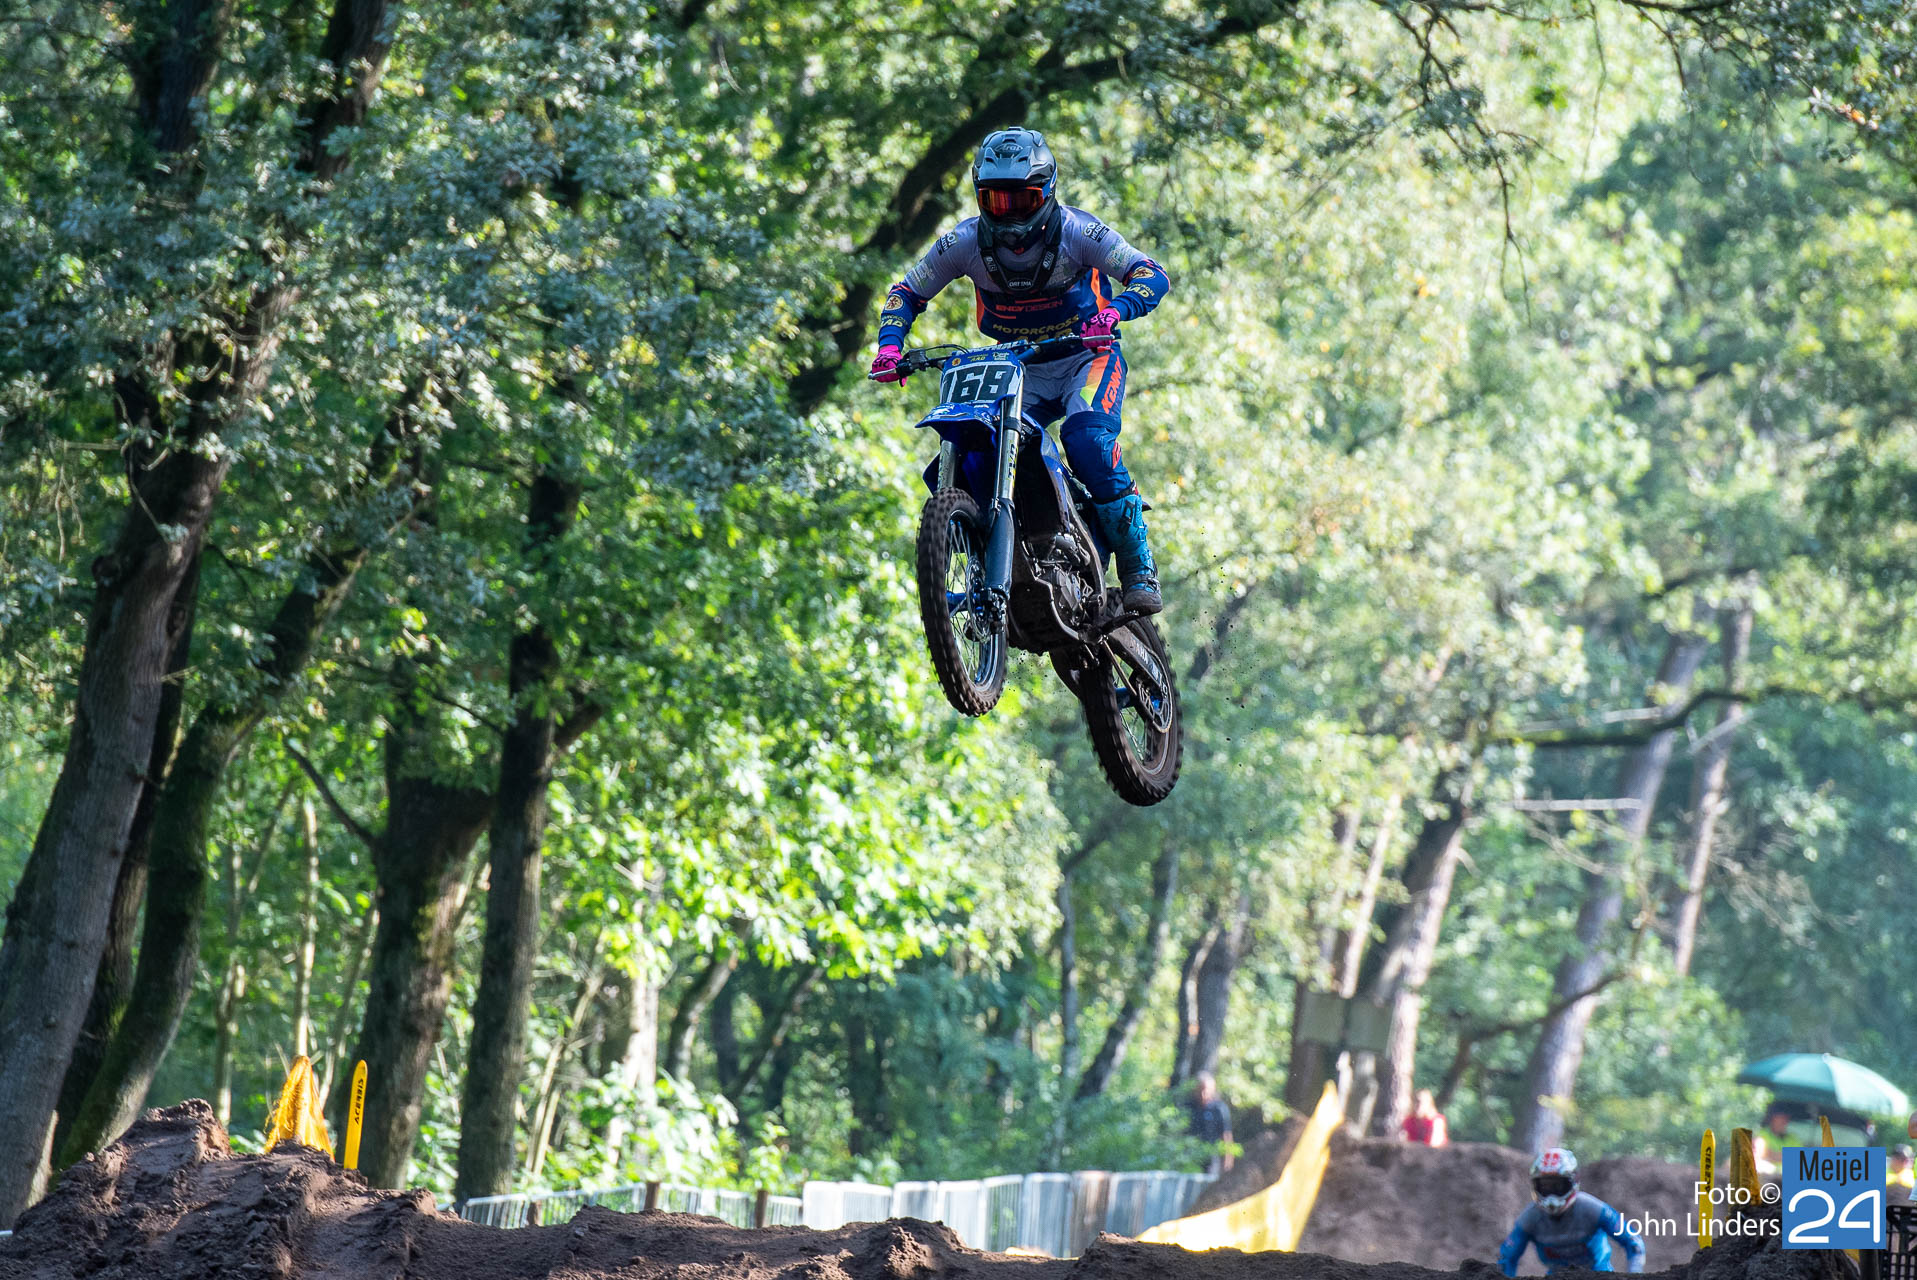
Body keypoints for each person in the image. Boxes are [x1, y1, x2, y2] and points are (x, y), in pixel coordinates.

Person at [870, 127, 1174, 615]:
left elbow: (1151, 273)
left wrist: (1115, 312)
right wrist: (890, 347)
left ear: (1047, 192)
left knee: (1087, 441)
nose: (1010, 216)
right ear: (979, 197)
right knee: (975, 442)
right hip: (1017, 365)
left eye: (1022, 200)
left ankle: (1139, 566)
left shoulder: (1079, 232)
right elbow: (906, 292)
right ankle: (990, 555)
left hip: (1086, 357)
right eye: (997, 200)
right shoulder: (962, 242)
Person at [1499, 1147, 1646, 1277]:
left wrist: (1635, 1274)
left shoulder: (1593, 1209)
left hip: (1599, 1275)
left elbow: (1633, 1241)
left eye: (1558, 1186)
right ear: (1536, 1186)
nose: (1551, 1194)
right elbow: (1507, 1258)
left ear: (1573, 1183)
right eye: (1545, 1187)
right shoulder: (1530, 1218)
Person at [1186, 1072, 1235, 1176]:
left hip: (1212, 1156)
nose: (1203, 1093)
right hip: (1191, 1156)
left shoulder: (1219, 1108)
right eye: (1200, 1090)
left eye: (1206, 1090)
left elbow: (1226, 1135)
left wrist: (1228, 1161)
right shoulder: (1189, 1107)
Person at [1752, 1104, 1798, 1176]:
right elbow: (1759, 1154)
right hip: (1768, 1178)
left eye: (1786, 1119)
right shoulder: (1762, 1134)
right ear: (1772, 1119)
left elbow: (1799, 1158)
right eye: (1781, 1118)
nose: (1784, 1122)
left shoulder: (1793, 1140)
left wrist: (1771, 1154)